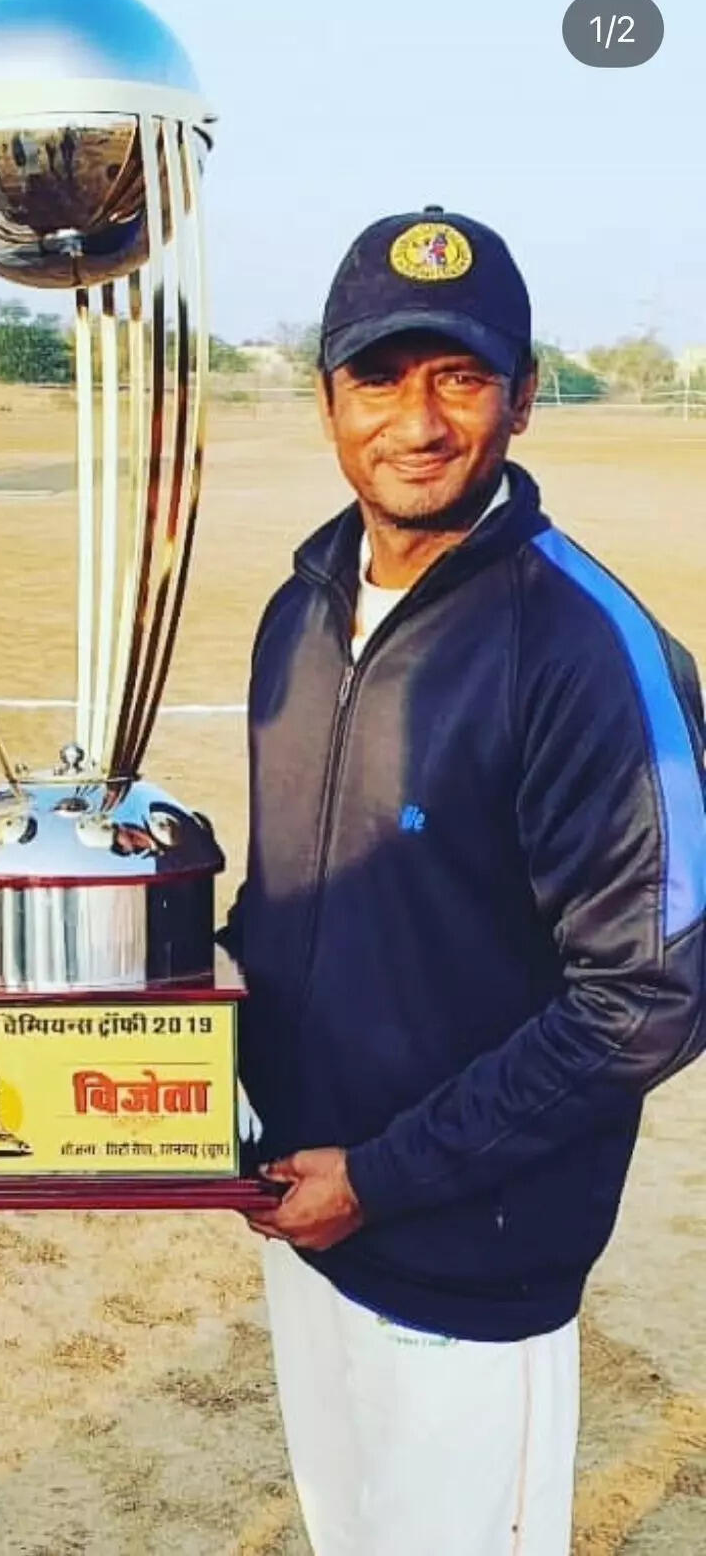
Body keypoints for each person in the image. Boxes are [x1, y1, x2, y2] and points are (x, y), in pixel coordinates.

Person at [224, 205, 706, 1555]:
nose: (419, 422)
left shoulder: (588, 648)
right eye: (380, 377)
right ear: (328, 399)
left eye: (461, 377)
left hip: (468, 1255)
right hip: (303, 1209)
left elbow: (649, 997)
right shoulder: (299, 610)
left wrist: (384, 1175)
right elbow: (290, 905)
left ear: (523, 397)